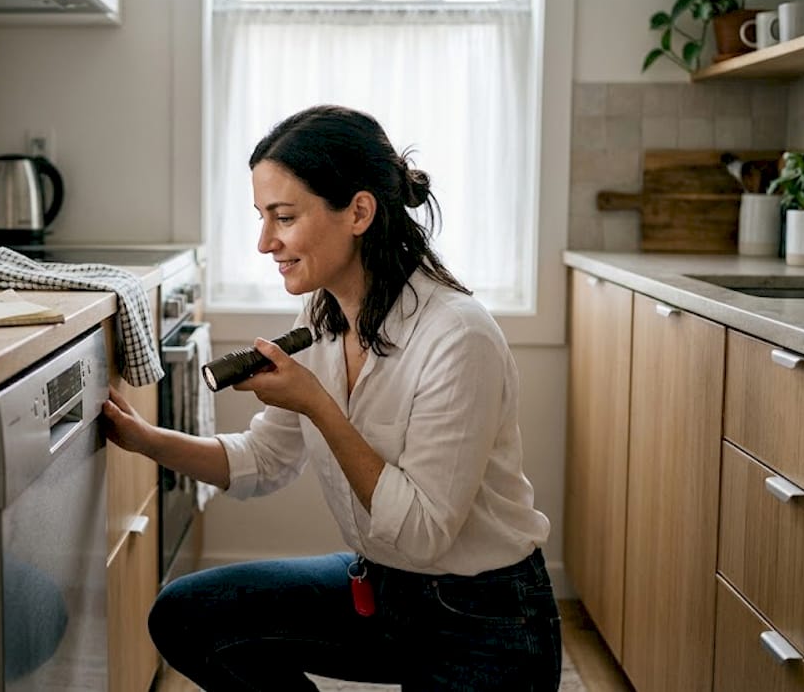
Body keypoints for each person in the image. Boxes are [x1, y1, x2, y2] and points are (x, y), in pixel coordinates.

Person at [102, 104, 560, 691]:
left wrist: (317, 402)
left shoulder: (458, 335)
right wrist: (144, 440)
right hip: (383, 589)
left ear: (359, 212)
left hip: (485, 617)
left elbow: (422, 531)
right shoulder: (321, 316)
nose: (266, 242)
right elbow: (264, 460)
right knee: (187, 614)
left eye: (283, 217)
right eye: (262, 218)